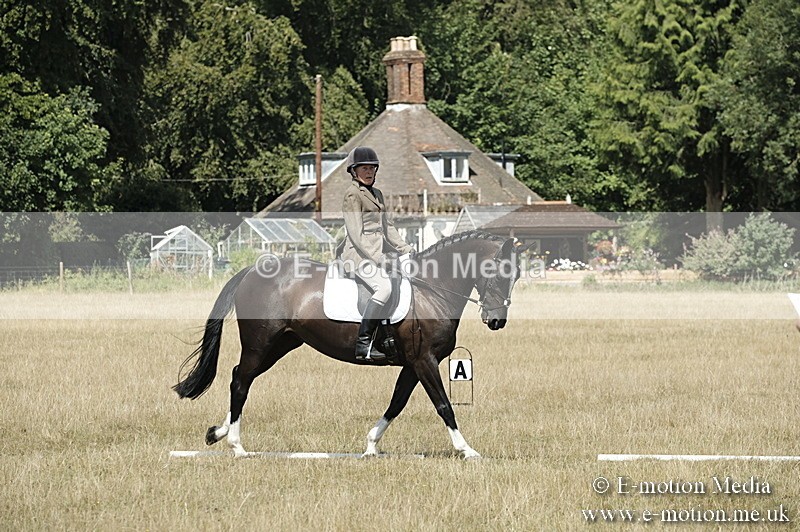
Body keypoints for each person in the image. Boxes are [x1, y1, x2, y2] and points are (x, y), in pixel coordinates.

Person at [341, 146, 414, 361]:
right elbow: (356, 234)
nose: (369, 172)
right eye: (364, 168)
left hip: (377, 252)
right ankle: (363, 343)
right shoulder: (352, 194)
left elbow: (388, 228)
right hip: (358, 255)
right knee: (384, 288)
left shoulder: (377, 194)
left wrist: (406, 249)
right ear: (354, 171)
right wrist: (378, 258)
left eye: (372, 168)